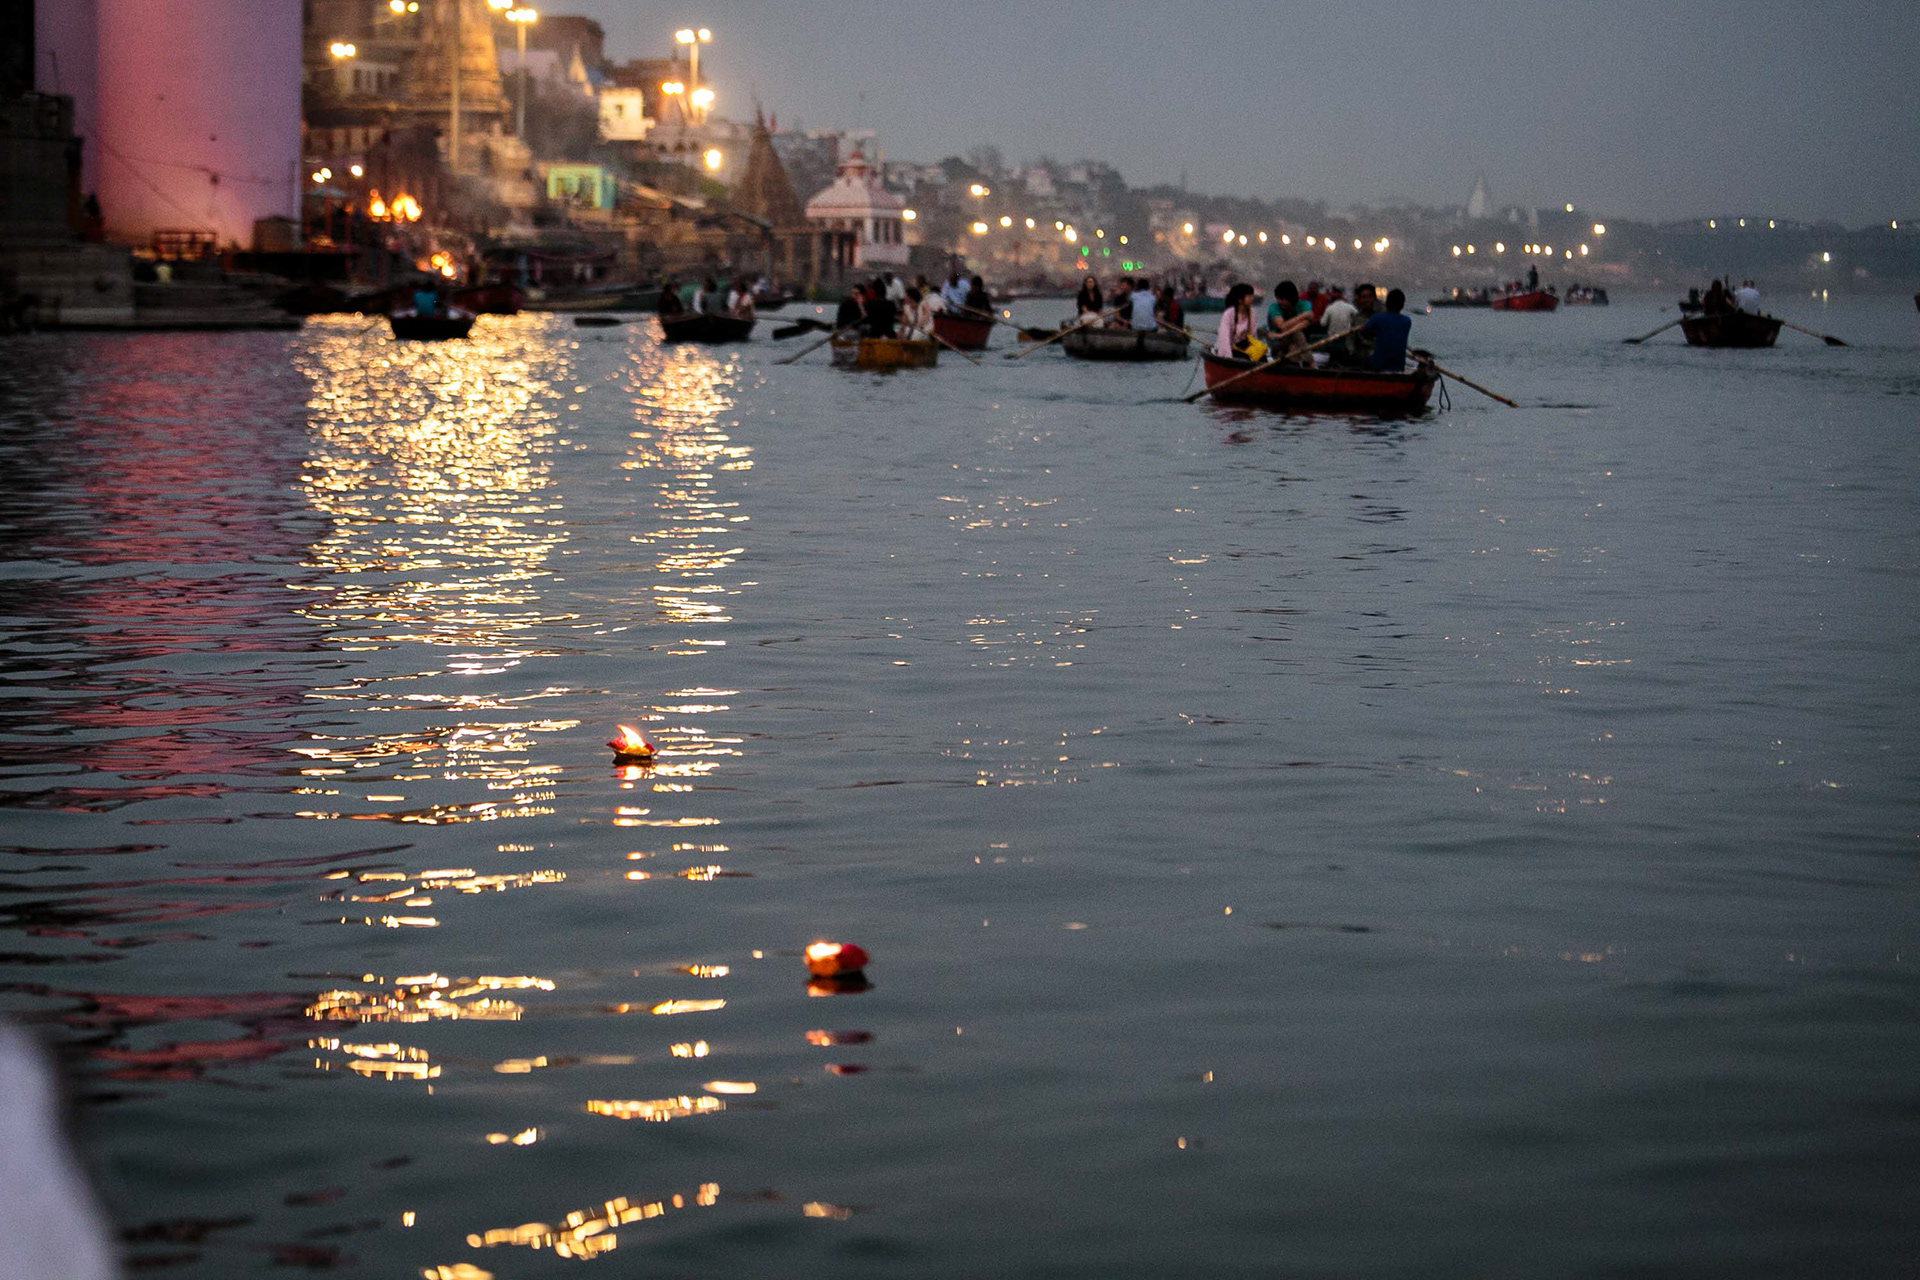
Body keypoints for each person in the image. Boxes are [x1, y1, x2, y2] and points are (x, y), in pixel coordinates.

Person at [1362, 288, 1413, 372]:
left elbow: (1365, 333)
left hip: (1378, 364)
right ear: (1402, 306)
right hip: (1399, 365)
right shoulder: (1407, 321)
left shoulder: (1376, 318)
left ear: (1386, 303)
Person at [1213, 283, 1263, 359]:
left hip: (1245, 348)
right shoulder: (1228, 314)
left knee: (1262, 357)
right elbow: (1224, 337)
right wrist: (1228, 357)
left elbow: (1253, 337)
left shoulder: (1252, 314)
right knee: (1242, 357)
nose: (1252, 298)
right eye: (1249, 296)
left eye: (1252, 296)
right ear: (1240, 300)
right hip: (1230, 349)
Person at [1319, 286, 1359, 363]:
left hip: (1332, 340)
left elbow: (1322, 323)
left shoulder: (1329, 308)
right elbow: (1358, 317)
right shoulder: (1350, 307)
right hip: (1347, 339)